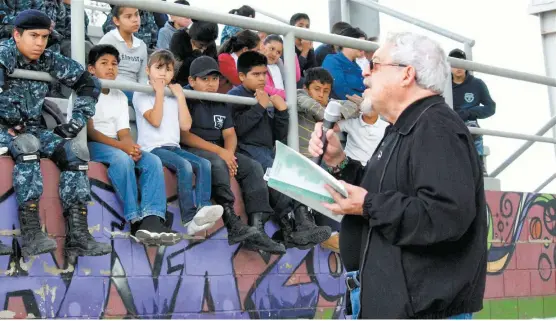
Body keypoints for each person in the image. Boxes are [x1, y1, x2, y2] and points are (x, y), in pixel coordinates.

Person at [308, 32, 487, 319]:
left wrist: (367, 205)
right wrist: (339, 161)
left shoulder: (435, 127)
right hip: (390, 300)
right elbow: (380, 191)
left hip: (420, 308)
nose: (365, 72)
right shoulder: (405, 127)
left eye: (375, 64)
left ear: (407, 74)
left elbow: (445, 215)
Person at [0, 10, 112, 258]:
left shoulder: (48, 58)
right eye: (33, 36)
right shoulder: (5, 52)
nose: (40, 43)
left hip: (32, 128)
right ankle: (31, 234)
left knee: (76, 151)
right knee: (28, 146)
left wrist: (78, 119)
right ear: (17, 35)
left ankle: (78, 236)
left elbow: (89, 82)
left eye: (44, 36)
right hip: (4, 129)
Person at [181, 55, 285, 254]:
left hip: (220, 149)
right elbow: (185, 136)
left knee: (253, 167)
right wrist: (222, 153)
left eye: (214, 79)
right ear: (192, 81)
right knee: (218, 163)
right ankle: (231, 221)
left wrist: (229, 153)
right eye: (205, 79)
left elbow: (229, 133)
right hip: (194, 149)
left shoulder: (221, 98)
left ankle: (257, 229)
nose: (211, 84)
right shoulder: (187, 97)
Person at [228, 51, 332, 249]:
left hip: (268, 148)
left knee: (296, 170)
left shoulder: (267, 96)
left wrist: (282, 112)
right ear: (242, 76)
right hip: (246, 149)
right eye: (255, 74)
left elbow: (278, 134)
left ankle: (303, 223)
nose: (261, 79)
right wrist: (259, 107)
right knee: (277, 174)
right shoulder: (235, 96)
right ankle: (291, 228)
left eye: (263, 74)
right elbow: (238, 129)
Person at [86, 44, 180, 246]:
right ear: (91, 69)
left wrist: (132, 147)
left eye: (114, 64)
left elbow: (124, 132)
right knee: (122, 160)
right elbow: (91, 132)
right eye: (104, 63)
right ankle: (135, 219)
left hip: (117, 144)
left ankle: (152, 220)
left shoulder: (119, 95)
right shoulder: (85, 93)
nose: (110, 68)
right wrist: (123, 148)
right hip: (93, 144)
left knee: (152, 160)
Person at [133, 50, 223, 235]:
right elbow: (155, 120)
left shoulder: (173, 96)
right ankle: (189, 217)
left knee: (204, 164)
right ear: (147, 70)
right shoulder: (141, 93)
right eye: (158, 68)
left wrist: (181, 97)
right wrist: (159, 94)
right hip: (153, 148)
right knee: (185, 166)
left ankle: (202, 210)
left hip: (174, 147)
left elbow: (186, 125)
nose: (163, 73)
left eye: (168, 69)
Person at [449, 48, 496, 175]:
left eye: (461, 63)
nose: (458, 67)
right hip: (449, 122)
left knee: (472, 128)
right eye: (454, 64)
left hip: (469, 124)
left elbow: (490, 108)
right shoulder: (444, 84)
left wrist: (470, 112)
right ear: (449, 66)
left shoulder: (477, 84)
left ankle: (479, 166)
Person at [297, 67, 359, 158]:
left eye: (326, 91)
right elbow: (309, 104)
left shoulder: (331, 104)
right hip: (300, 156)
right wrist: (329, 117)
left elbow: (353, 106)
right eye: (317, 89)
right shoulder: (300, 94)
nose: (321, 95)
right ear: (306, 88)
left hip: (323, 159)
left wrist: (335, 114)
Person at [98, 6, 148, 103]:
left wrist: (143, 93)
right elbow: (100, 71)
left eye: (137, 15)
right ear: (116, 21)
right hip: (114, 87)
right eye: (128, 16)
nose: (135, 20)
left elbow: (143, 77)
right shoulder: (109, 40)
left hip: (136, 90)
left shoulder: (142, 45)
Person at [334, 97, 388, 166]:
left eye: (374, 104)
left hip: (371, 169)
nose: (371, 107)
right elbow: (328, 127)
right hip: (348, 165)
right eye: (368, 104)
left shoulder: (387, 127)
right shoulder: (351, 122)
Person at [322, 27, 367, 100]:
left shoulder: (357, 66)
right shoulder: (332, 60)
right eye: (361, 43)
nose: (364, 47)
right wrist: (365, 98)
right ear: (347, 43)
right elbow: (340, 88)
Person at [169, 21, 218, 86]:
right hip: (180, 83)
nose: (205, 48)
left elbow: (213, 68)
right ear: (193, 37)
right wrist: (196, 53)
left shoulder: (210, 43)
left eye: (208, 45)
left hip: (204, 84)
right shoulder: (179, 37)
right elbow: (176, 70)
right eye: (202, 44)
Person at [261, 34, 301, 99]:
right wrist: (284, 94)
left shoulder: (279, 66)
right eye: (272, 49)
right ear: (262, 46)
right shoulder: (256, 64)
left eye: (278, 52)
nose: (274, 54)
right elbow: (261, 86)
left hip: (281, 104)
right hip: (269, 105)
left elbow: (295, 77)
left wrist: (291, 53)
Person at [290, 13, 316, 86]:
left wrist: (311, 50)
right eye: (300, 26)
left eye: (307, 26)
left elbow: (314, 71)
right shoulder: (287, 46)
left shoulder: (308, 46)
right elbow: (294, 74)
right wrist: (304, 52)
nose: (304, 29)